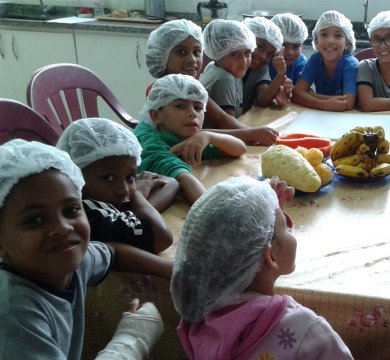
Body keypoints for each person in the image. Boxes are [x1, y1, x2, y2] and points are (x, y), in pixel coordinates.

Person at [0, 139, 172, 359]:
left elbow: (111, 251)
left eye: (71, 210)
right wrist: (129, 341)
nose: (63, 228)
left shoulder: (72, 261)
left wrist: (171, 268)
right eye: (35, 219)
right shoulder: (15, 315)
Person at [171, 177, 354, 359]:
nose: (291, 228)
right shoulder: (306, 331)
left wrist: (268, 211)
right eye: (286, 228)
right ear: (271, 256)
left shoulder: (200, 319)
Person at [145, 19, 278, 145]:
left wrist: (252, 132)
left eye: (197, 52)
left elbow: (222, 117)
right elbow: (189, 135)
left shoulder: (191, 87)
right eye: (181, 52)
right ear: (162, 56)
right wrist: (250, 134)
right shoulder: (161, 91)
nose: (192, 59)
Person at [56, 118, 173, 254]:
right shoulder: (92, 213)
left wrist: (133, 213)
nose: (123, 190)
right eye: (109, 177)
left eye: (130, 177)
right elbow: (162, 238)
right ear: (74, 176)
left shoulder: (108, 199)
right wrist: (137, 196)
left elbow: (170, 182)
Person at [136, 73, 247, 204]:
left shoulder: (179, 132)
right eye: (180, 106)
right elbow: (184, 180)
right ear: (156, 115)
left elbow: (240, 148)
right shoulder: (150, 144)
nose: (193, 113)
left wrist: (208, 136)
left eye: (198, 107)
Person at [292, 10, 358, 112]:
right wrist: (325, 104)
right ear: (316, 41)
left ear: (347, 43)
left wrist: (313, 95)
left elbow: (347, 103)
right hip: (321, 116)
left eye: (338, 35)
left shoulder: (350, 65)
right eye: (324, 34)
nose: (330, 41)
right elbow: (296, 93)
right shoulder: (315, 59)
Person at [199, 19, 256, 118]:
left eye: (247, 53)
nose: (244, 61)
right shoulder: (225, 78)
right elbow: (230, 124)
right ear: (218, 54)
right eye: (234, 54)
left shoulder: (219, 67)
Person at [242, 16, 293, 112]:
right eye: (260, 47)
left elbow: (262, 101)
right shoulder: (226, 70)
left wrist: (280, 75)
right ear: (246, 39)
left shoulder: (261, 69)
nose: (263, 57)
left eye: (270, 54)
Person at [269, 13, 309, 85]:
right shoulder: (266, 60)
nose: (290, 52)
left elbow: (300, 91)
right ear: (272, 42)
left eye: (296, 46)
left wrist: (290, 89)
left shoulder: (301, 63)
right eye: (283, 45)